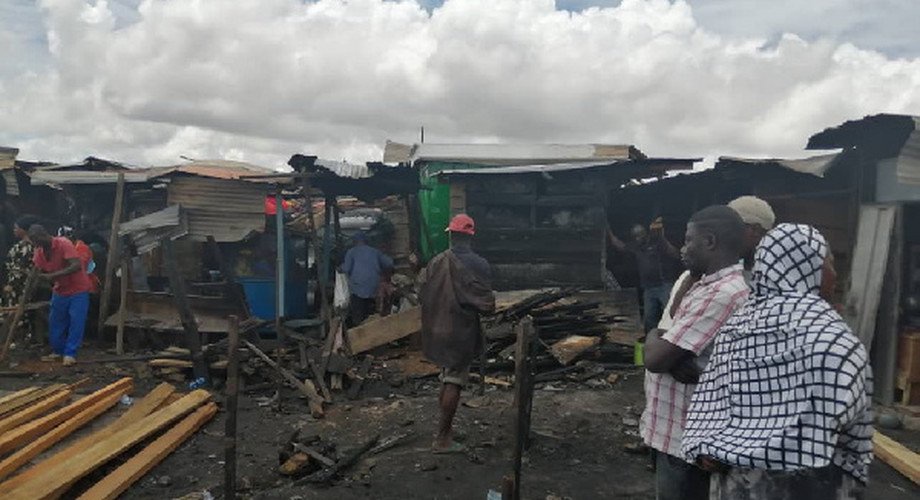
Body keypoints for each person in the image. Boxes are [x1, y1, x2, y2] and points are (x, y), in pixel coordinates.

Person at [682, 224, 873, 500]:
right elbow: (847, 418)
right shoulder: (829, 335)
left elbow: (710, 405)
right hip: (808, 485)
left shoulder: (739, 326)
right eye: (829, 263)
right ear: (808, 267)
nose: (834, 274)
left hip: (739, 485)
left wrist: (711, 448)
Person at [639, 206, 749, 500]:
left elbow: (654, 359)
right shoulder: (706, 283)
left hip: (687, 438)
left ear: (710, 242)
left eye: (689, 240)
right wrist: (666, 346)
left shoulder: (722, 294)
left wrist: (653, 334)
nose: (683, 248)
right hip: (678, 433)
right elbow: (673, 334)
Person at [420, 214, 495, 454]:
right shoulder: (479, 264)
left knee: (446, 378)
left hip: (436, 330)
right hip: (459, 332)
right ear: (470, 237)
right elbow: (485, 303)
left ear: (451, 235)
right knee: (454, 381)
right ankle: (442, 439)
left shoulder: (435, 262)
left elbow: (421, 291)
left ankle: (445, 430)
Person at [658, 196, 775, 329]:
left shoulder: (772, 280)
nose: (723, 233)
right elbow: (675, 317)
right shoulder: (706, 274)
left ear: (755, 231)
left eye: (732, 227)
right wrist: (694, 274)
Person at [30, 225, 94, 365]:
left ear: (43, 235)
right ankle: (58, 351)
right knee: (56, 322)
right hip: (60, 289)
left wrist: (52, 275)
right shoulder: (39, 251)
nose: (35, 244)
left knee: (76, 321)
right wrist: (30, 289)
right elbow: (36, 271)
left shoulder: (63, 243)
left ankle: (70, 353)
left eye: (36, 240)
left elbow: (76, 265)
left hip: (78, 289)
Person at [608, 218, 681, 332]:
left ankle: (673, 340)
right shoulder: (636, 247)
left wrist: (661, 236)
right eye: (635, 235)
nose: (638, 237)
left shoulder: (657, 243)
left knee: (669, 315)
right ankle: (650, 341)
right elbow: (619, 245)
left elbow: (675, 254)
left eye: (640, 234)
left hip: (664, 285)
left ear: (645, 233)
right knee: (649, 318)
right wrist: (608, 230)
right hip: (648, 288)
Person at [341, 231, 393, 326]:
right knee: (370, 314)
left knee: (358, 314)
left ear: (354, 241)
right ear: (366, 241)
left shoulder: (351, 252)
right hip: (373, 288)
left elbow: (346, 268)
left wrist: (340, 268)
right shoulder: (375, 251)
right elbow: (389, 263)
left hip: (357, 288)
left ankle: (358, 331)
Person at [1, 215, 38, 312]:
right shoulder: (21, 245)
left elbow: (21, 268)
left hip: (19, 286)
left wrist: (12, 285)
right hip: (12, 282)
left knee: (14, 310)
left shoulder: (27, 247)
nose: (14, 230)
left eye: (16, 228)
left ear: (23, 230)